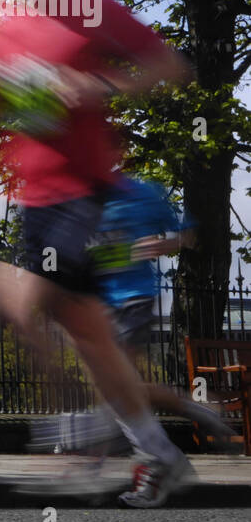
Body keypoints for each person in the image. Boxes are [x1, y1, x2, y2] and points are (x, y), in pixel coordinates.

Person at [0, 0, 196, 507]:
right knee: (91, 338)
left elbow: (172, 67)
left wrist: (99, 89)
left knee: (12, 294)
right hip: (33, 198)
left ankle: (76, 429)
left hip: (86, 191)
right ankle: (157, 453)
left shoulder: (91, 9)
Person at [29, 174, 230, 459]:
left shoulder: (143, 193)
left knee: (116, 381)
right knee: (116, 383)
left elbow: (189, 235)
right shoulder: (76, 198)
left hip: (133, 298)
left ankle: (110, 449)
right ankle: (189, 411)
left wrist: (165, 244)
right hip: (95, 305)